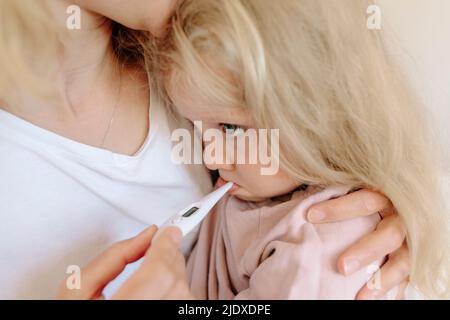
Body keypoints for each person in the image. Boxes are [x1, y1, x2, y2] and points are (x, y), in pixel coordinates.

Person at [0, 0, 411, 299]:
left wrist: (403, 200)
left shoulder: (212, 51)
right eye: (202, 129)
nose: (209, 157)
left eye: (228, 128)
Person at [158, 0, 449, 299]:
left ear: (317, 117)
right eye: (196, 128)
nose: (210, 156)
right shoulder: (255, 182)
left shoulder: (318, 248)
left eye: (231, 129)